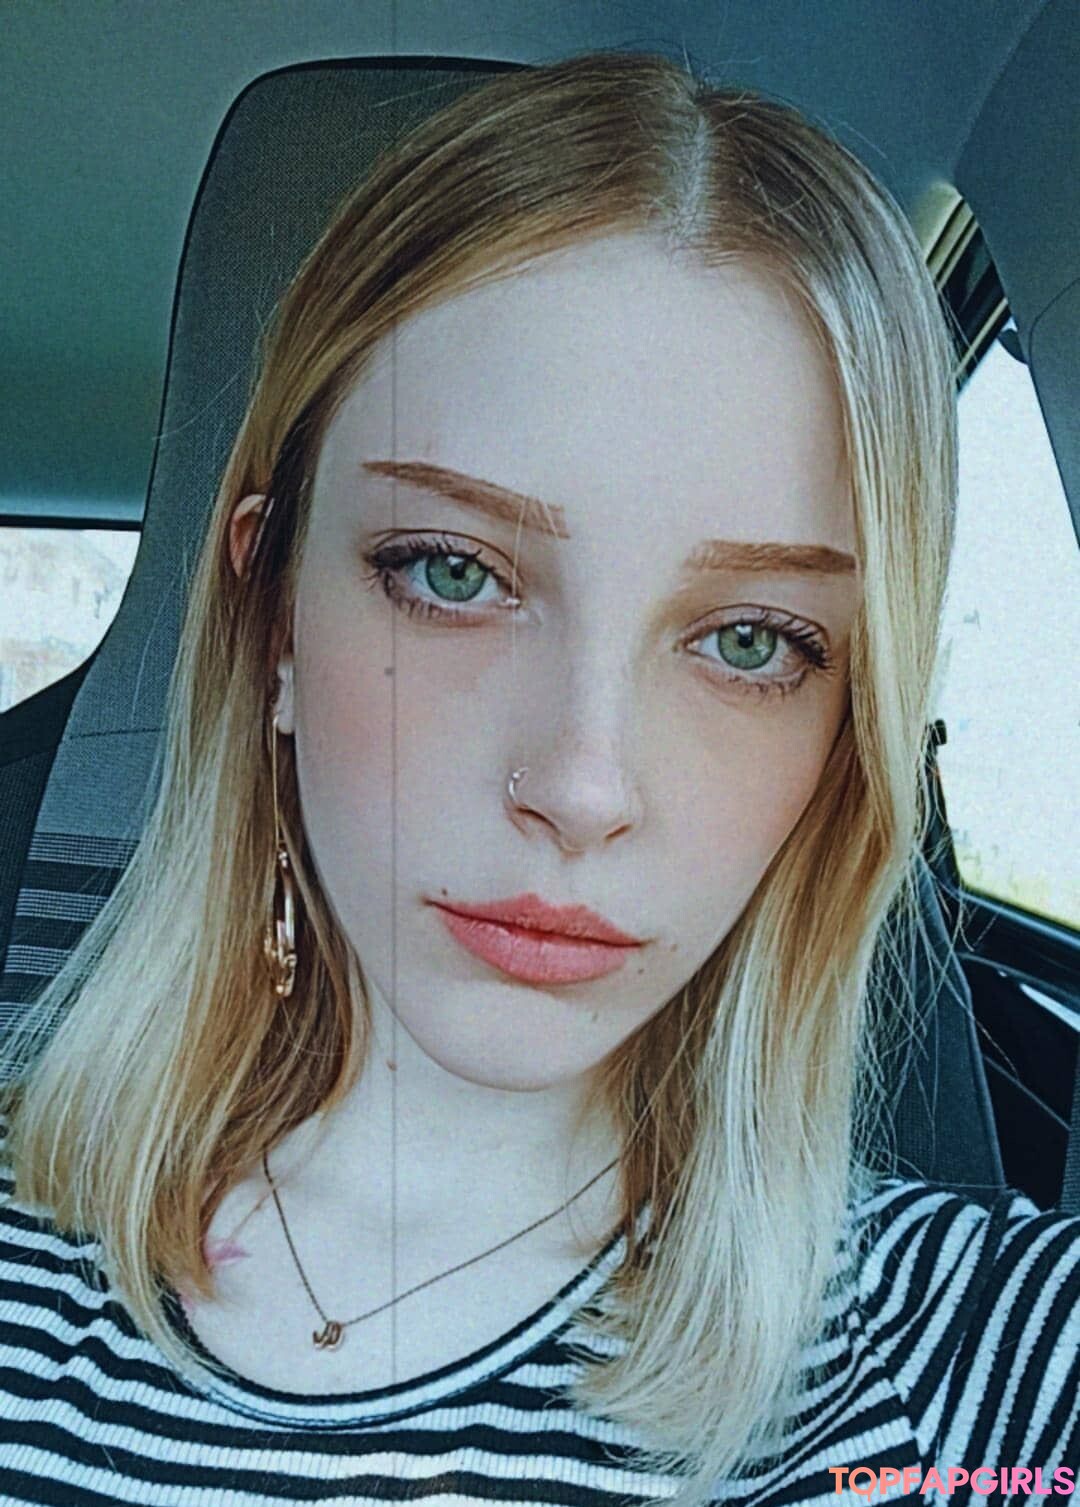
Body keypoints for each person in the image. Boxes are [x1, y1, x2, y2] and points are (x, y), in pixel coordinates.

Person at [0, 47, 1077, 1507]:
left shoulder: (967, 1373)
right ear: (272, 625)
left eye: (753, 642)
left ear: (846, 735)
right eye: (452, 574)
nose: (582, 786)